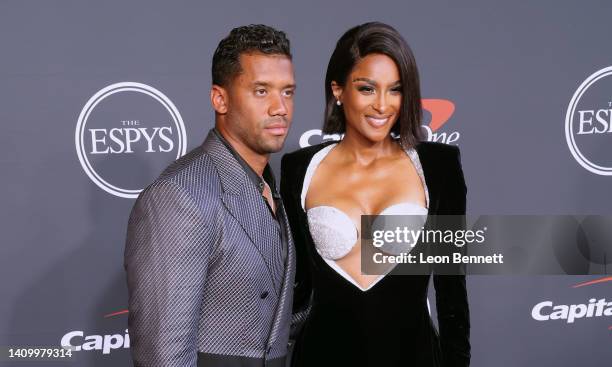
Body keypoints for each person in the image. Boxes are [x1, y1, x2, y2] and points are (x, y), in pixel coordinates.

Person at [281, 22, 470, 366]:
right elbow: (296, 288)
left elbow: (451, 291)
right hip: (321, 355)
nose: (382, 105)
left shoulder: (437, 166)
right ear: (338, 90)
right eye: (367, 88)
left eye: (395, 90)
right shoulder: (299, 169)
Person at [124, 24, 304, 367]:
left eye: (288, 92)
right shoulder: (179, 196)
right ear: (219, 98)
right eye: (262, 91)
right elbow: (164, 356)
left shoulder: (270, 184)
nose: (280, 107)